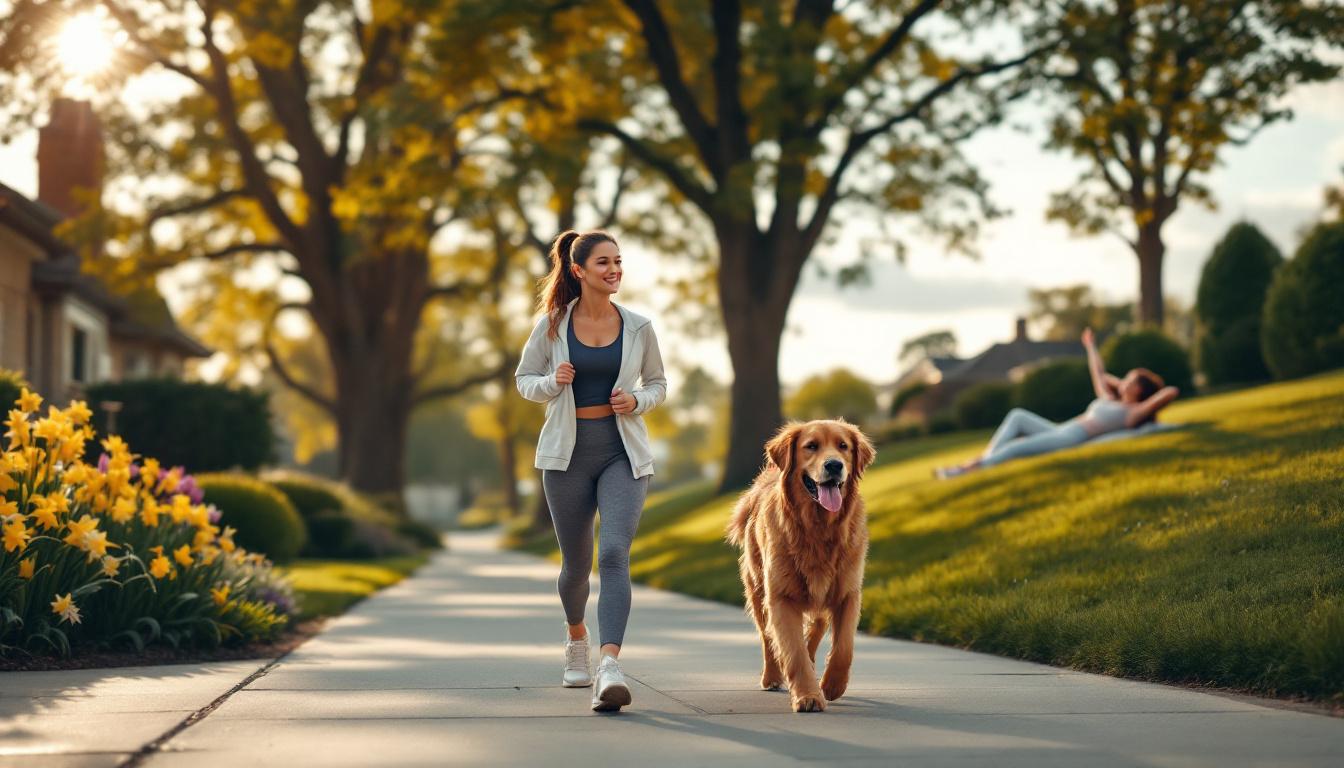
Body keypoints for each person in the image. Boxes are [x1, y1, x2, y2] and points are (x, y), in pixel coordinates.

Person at [515, 229, 667, 712]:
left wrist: (637, 400)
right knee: (576, 566)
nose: (614, 270)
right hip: (566, 456)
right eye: (604, 262)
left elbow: (659, 383)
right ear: (579, 270)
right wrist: (551, 382)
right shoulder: (552, 326)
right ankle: (577, 639)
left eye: (619, 261)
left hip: (623, 453)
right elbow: (523, 380)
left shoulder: (639, 327)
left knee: (616, 553)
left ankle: (610, 666)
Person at [936, 327, 1179, 478]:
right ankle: (984, 459)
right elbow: (1099, 373)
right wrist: (1091, 347)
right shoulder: (1110, 399)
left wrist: (1141, 397)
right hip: (1064, 429)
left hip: (1072, 438)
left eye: (1132, 380)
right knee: (1017, 416)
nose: (1125, 381)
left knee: (1015, 447)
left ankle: (968, 470)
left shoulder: (1133, 413)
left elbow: (1170, 391)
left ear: (1141, 390)